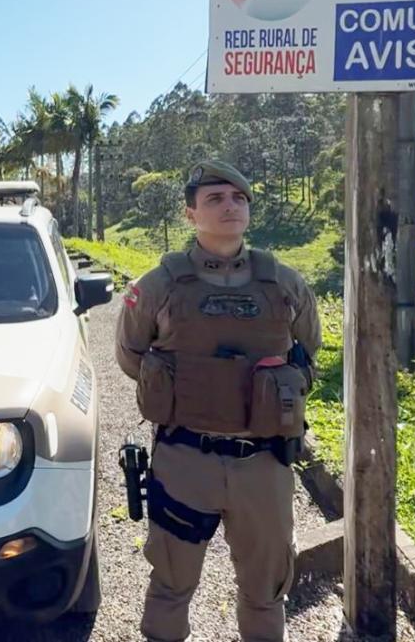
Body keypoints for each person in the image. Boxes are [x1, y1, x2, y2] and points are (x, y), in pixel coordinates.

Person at [116, 161, 321, 642]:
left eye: (239, 198)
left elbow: (308, 353)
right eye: (215, 199)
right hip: (186, 457)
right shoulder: (157, 285)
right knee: (171, 581)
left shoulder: (286, 283)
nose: (230, 206)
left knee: (266, 589)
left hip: (264, 463)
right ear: (191, 213)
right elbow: (131, 357)